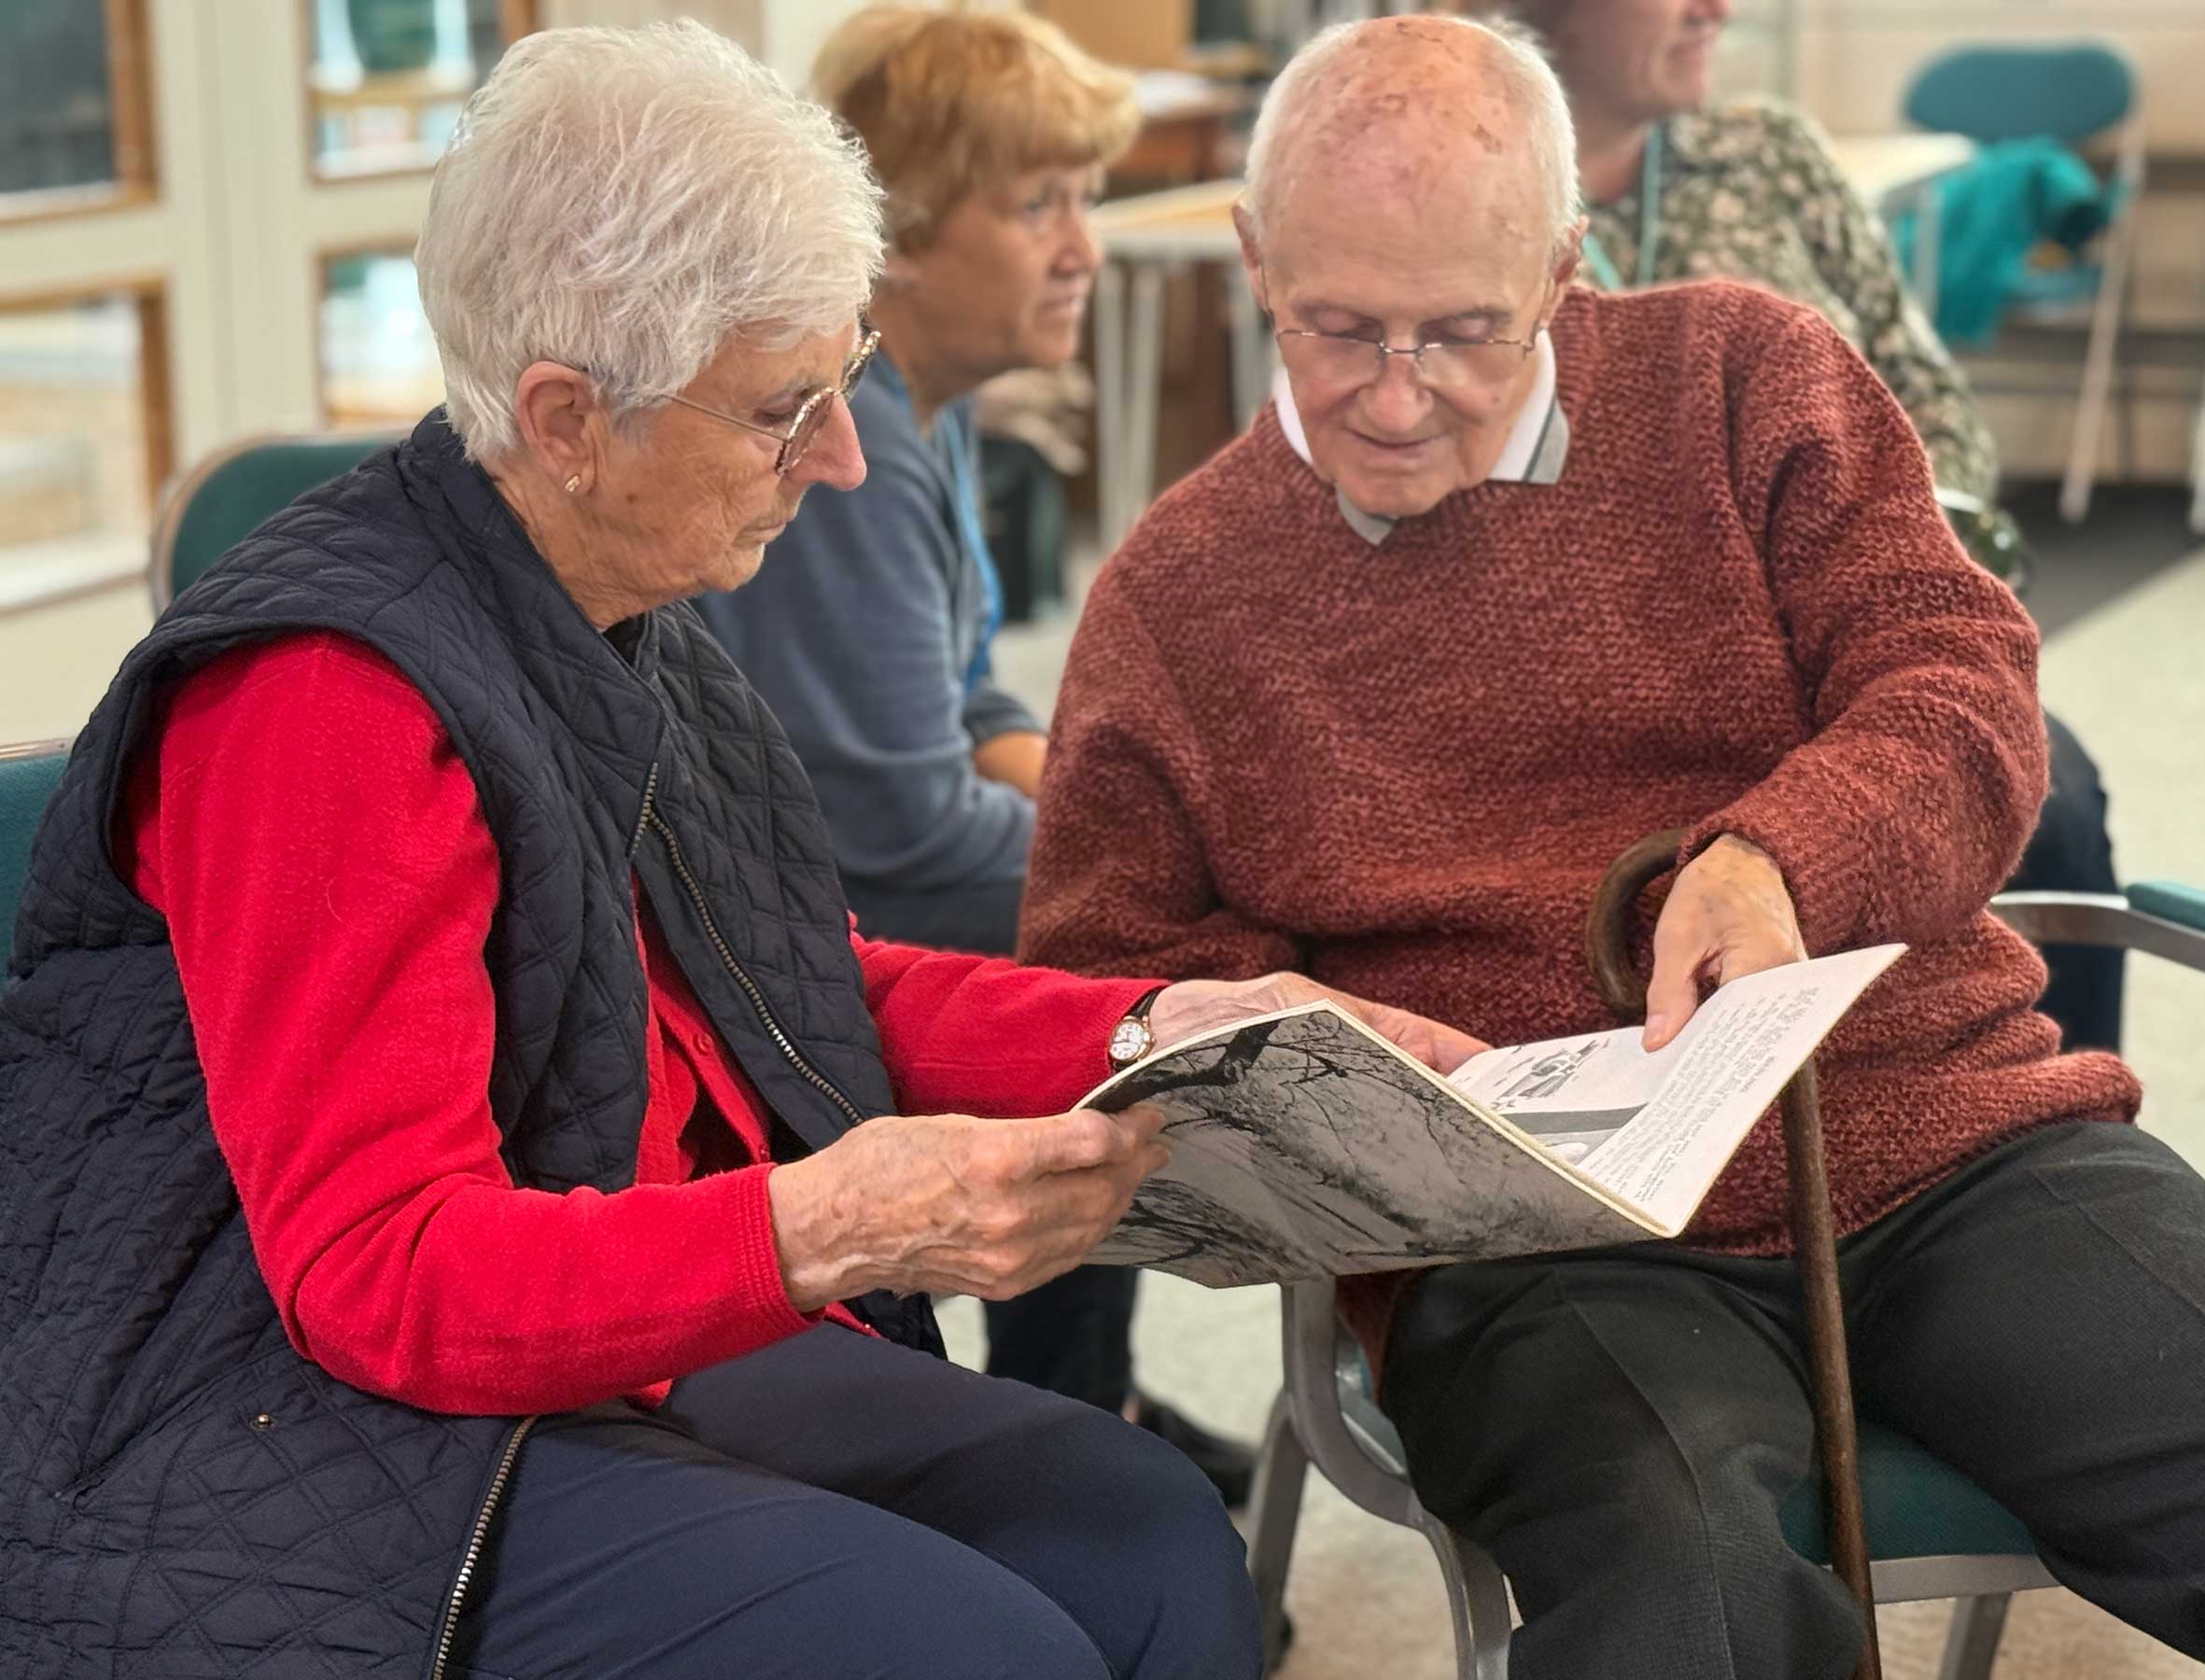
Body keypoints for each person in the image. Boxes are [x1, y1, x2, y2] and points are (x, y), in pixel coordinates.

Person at [0, 24, 1487, 1679]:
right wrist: (819, 1229)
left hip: (609, 1324)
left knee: (1149, 1546)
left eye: (842, 388)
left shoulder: (622, 602)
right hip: (298, 1416)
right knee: (980, 1651)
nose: (841, 460)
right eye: (787, 411)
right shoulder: (323, 702)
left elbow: (785, 983)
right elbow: (378, 1276)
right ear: (567, 415)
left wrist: (1157, 1032)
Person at [1020, 17, 2205, 1680]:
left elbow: (1961, 685)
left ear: (1564, 263)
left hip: (1942, 1140)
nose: (1394, 396)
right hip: (1535, 1255)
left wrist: (1782, 859)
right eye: (1334, 330)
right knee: (1691, 1605)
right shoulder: (1173, 598)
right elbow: (1098, 977)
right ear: (1255, 260)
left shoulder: (1743, 374)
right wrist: (1292, 1047)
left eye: (1461, 332)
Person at [693, 8, 1257, 1502]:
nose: (1084, 244)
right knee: (1127, 998)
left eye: (1082, 196)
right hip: (789, 946)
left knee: (1140, 917)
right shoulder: (850, 459)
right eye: (1036, 205)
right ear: (901, 245)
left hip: (860, 882)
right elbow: (901, 824)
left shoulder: (922, 423)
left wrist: (1128, 813)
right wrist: (1156, 885)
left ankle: (1095, 1400)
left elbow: (968, 706)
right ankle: (1068, 1434)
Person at [1473, 0, 2124, 1053]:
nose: (1716, 9)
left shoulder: (1767, 155)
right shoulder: (1450, 215)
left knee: (2056, 806)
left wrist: (1902, 559)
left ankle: (2051, 1093)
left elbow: (1930, 401)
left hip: (1854, 639)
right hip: (1640, 703)